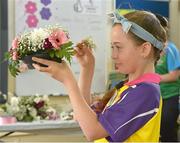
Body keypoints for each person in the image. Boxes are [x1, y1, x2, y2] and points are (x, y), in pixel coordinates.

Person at [32, 10, 167, 142]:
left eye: (118, 47)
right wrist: (87, 69)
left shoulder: (145, 92)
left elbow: (93, 131)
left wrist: (68, 80)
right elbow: (83, 119)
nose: (113, 55)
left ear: (145, 49)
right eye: (112, 47)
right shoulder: (127, 88)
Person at [155, 14, 180, 142]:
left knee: (167, 130)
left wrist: (153, 78)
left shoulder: (170, 49)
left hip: (170, 96)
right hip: (155, 96)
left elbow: (174, 75)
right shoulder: (152, 49)